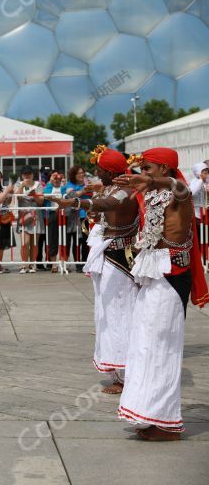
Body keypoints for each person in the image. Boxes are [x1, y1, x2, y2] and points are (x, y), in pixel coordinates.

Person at [112, 148, 209, 441]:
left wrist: (157, 182)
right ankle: (146, 414)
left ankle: (166, 423)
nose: (144, 174)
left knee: (162, 349)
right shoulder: (152, 193)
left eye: (149, 169)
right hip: (152, 276)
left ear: (165, 169)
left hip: (172, 277)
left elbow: (178, 186)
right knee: (143, 345)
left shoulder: (179, 193)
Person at [53, 147, 139, 395]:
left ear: (111, 172)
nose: (96, 172)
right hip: (107, 256)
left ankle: (126, 374)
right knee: (105, 314)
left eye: (100, 169)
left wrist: (73, 202)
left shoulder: (125, 191)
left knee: (119, 315)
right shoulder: (112, 186)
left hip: (120, 260)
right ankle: (116, 370)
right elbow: (101, 200)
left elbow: (107, 203)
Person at [15, 165, 44, 274]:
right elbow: (16, 197)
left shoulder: (38, 185)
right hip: (24, 216)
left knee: (34, 243)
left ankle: (32, 264)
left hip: (36, 216)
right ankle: (24, 264)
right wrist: (22, 186)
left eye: (29, 173)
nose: (27, 176)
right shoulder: (18, 184)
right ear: (22, 175)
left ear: (33, 174)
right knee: (25, 242)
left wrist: (35, 195)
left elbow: (41, 201)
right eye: (25, 174)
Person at [63, 165, 90, 272]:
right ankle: (75, 264)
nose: (81, 175)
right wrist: (85, 190)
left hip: (87, 217)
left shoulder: (87, 183)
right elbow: (72, 195)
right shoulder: (70, 185)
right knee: (75, 242)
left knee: (85, 241)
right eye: (79, 173)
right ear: (73, 175)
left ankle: (84, 263)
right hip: (74, 218)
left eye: (82, 172)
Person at [42, 171, 64, 273]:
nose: (57, 180)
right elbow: (44, 195)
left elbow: (68, 197)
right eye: (55, 178)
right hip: (52, 214)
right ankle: (54, 264)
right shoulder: (49, 187)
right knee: (52, 240)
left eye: (59, 178)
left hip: (63, 214)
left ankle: (64, 262)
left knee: (64, 239)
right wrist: (50, 182)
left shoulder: (63, 187)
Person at [189, 162, 209, 267]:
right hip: (197, 215)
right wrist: (201, 180)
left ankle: (206, 258)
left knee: (206, 238)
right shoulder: (194, 182)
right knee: (199, 238)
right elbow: (192, 192)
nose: (206, 174)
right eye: (204, 172)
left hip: (206, 214)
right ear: (199, 173)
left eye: (207, 172)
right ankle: (200, 260)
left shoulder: (207, 182)